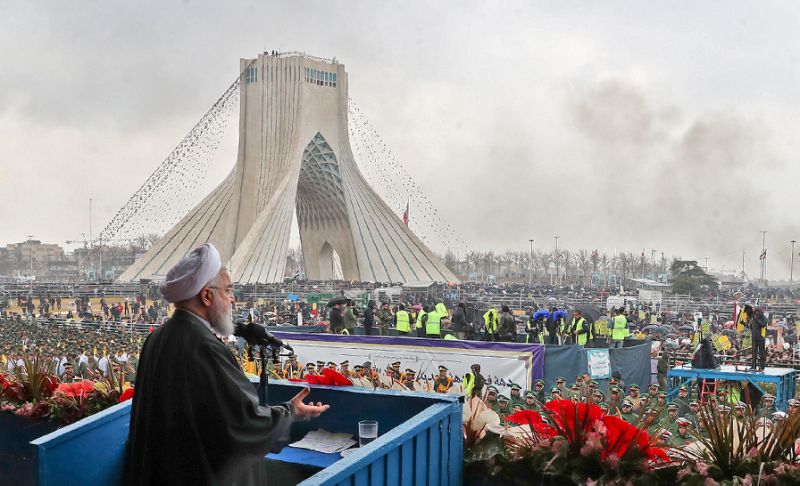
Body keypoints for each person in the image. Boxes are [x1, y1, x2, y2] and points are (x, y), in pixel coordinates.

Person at [126, 243, 329, 486]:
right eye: (228, 290)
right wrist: (291, 412)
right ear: (207, 296)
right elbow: (244, 424)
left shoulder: (157, 338)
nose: (233, 299)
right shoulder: (206, 347)